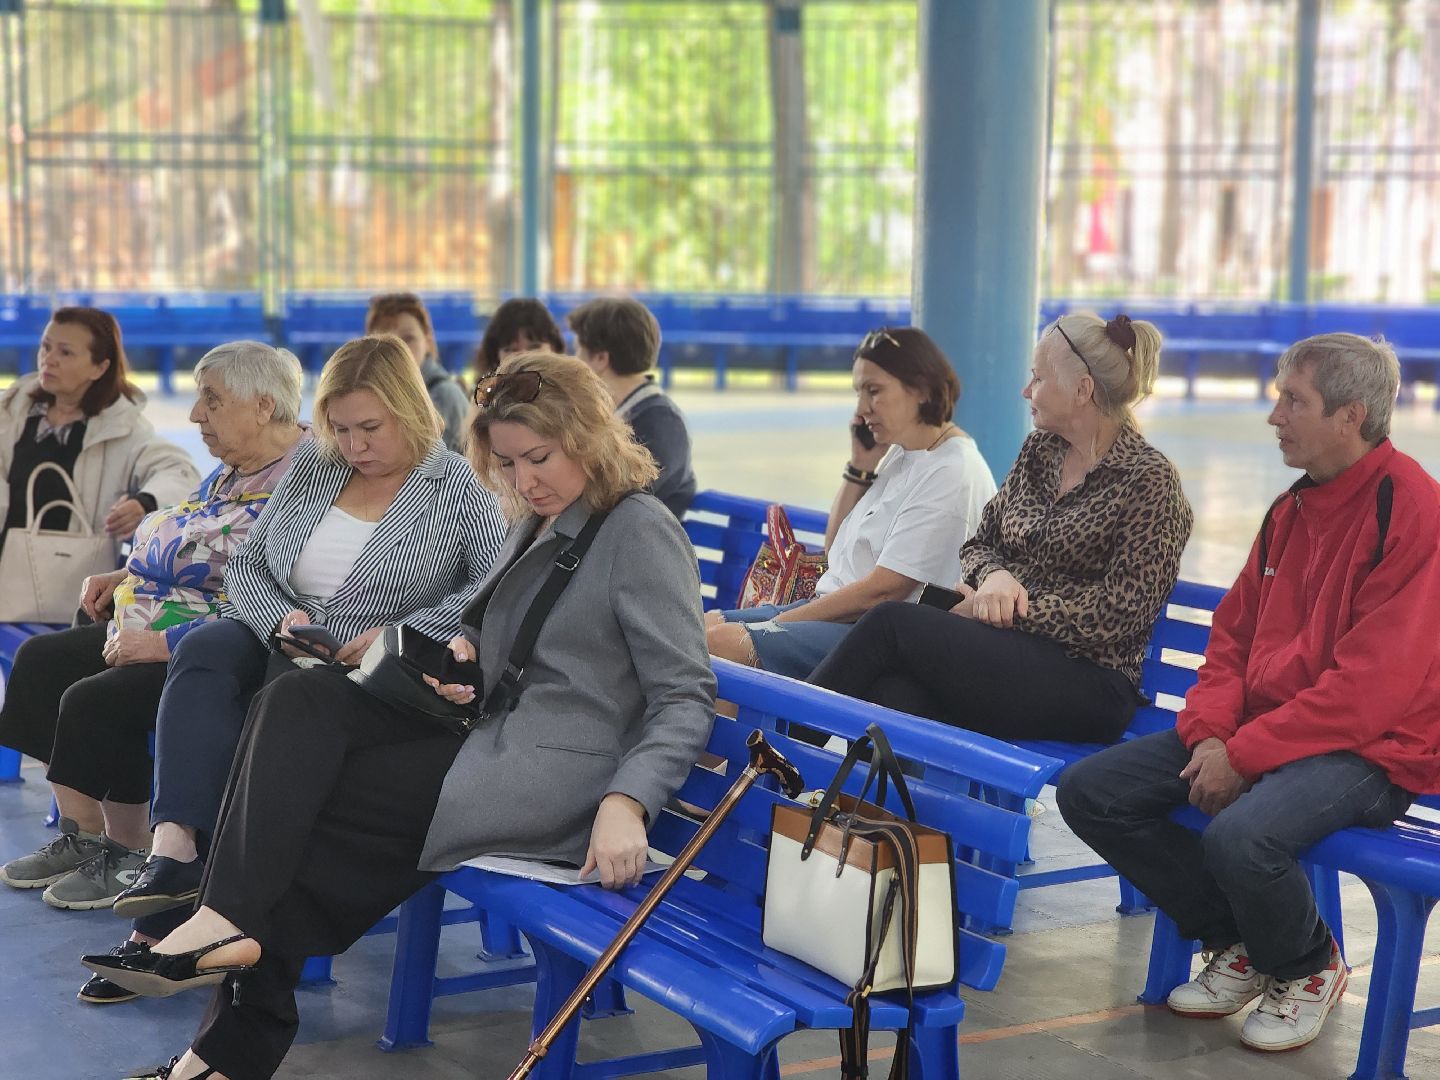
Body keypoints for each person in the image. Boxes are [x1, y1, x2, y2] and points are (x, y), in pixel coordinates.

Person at [86, 351, 717, 1080]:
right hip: (489, 736)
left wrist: (627, 801)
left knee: (298, 817)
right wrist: (456, 658)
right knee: (299, 698)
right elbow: (494, 634)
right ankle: (223, 958)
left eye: (538, 458)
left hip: (558, 777)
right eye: (509, 464)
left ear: (589, 437)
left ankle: (220, 1014)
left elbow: (683, 694)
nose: (524, 480)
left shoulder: (639, 530)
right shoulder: (540, 516)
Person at [1057, 333, 1439, 1054]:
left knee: (1243, 836)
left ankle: (1307, 964)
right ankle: (1239, 940)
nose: (1274, 417)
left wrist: (1246, 752)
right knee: (1090, 793)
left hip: (1373, 752)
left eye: (1293, 401)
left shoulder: (1413, 510)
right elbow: (1232, 640)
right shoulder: (1292, 510)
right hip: (1268, 732)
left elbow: (1369, 693)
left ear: (1350, 416)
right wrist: (1209, 735)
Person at [103, 335, 507, 944]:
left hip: (364, 676)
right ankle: (175, 846)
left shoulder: (459, 487)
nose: (354, 446)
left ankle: (166, 928)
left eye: (370, 427)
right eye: (340, 429)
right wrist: (280, 620)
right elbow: (250, 567)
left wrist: (397, 634)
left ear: (410, 411)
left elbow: (487, 595)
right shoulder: (318, 466)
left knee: (253, 715)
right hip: (282, 640)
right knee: (206, 646)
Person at [0, 342, 308, 931]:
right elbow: (190, 535)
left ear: (265, 405)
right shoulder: (235, 467)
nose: (196, 415)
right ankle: (82, 836)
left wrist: (163, 643)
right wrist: (126, 575)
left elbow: (263, 595)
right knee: (41, 662)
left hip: (220, 644)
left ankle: (128, 851)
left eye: (212, 401)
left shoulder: (306, 481)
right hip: (155, 617)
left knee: (95, 698)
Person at [809, 313, 1192, 744]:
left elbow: (1118, 614)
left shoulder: (1149, 481)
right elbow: (979, 542)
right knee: (893, 693)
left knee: (891, 624)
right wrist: (995, 576)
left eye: (1038, 379)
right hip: (1008, 655)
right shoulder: (1040, 452)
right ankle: (867, 809)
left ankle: (780, 762)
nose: (1026, 391)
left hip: (1090, 679)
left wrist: (1008, 611)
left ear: (1082, 390)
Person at [706, 327, 996, 679]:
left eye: (874, 391)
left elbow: (884, 591)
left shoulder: (952, 472)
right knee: (700, 628)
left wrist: (778, 622)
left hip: (869, 637)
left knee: (722, 644)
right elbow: (835, 552)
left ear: (919, 389)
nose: (862, 409)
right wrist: (860, 466)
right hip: (835, 614)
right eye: (860, 392)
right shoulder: (905, 455)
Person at [0, 307, 197, 567]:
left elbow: (180, 471)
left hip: (71, 584)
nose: (49, 359)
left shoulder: (123, 428)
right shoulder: (10, 411)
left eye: (65, 352)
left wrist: (144, 502)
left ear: (100, 367)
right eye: (45, 347)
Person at [568, 296, 697, 517]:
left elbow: (615, 498)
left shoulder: (661, 422)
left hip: (639, 545)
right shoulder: (622, 412)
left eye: (578, 351)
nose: (574, 360)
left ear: (600, 358)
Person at [364, 292, 471, 452]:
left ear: (427, 342)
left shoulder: (444, 395)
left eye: (408, 338)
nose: (400, 349)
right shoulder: (367, 395)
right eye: (387, 341)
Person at [474, 297, 565, 381]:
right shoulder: (481, 396)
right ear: (495, 357)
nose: (523, 357)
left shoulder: (573, 394)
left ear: (554, 348)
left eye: (534, 347)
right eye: (511, 350)